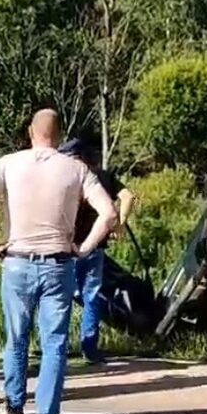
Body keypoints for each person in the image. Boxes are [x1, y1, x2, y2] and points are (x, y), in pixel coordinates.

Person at [0, 109, 117, 414]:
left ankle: (14, 401)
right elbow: (108, 213)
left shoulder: (9, 163)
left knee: (17, 336)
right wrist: (85, 247)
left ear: (30, 131)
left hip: (18, 259)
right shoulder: (77, 169)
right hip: (58, 262)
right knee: (54, 344)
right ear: (60, 135)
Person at [58, 137, 137, 363]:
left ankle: (58, 348)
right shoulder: (103, 177)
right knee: (91, 296)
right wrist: (119, 224)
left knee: (62, 297)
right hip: (95, 246)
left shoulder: (66, 178)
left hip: (68, 246)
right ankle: (90, 349)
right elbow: (128, 196)